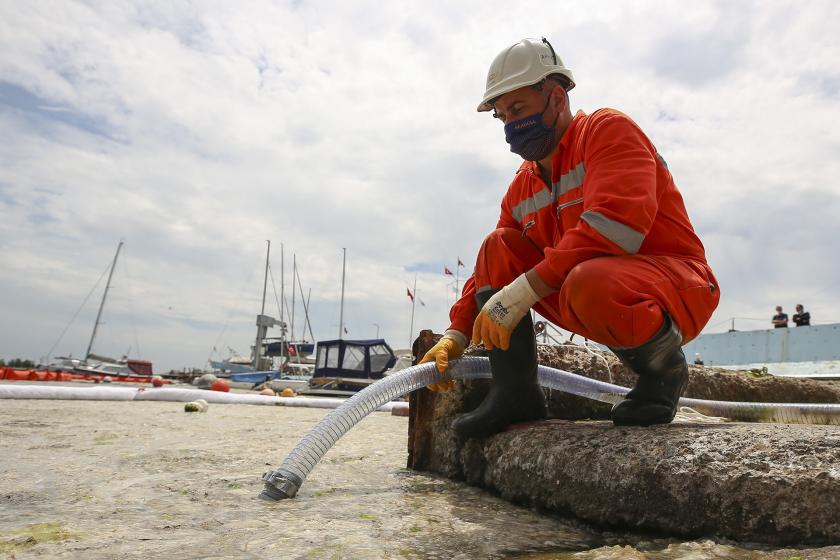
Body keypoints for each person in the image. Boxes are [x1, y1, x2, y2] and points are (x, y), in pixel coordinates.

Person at [419, 37, 719, 437]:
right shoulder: (521, 187)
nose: (510, 124)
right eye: (502, 115)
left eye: (519, 108)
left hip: (675, 283)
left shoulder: (607, 131)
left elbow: (614, 229)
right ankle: (515, 394)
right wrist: (456, 333)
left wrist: (520, 292)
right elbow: (493, 265)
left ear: (557, 98)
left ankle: (663, 375)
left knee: (589, 279)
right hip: (583, 286)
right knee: (497, 245)